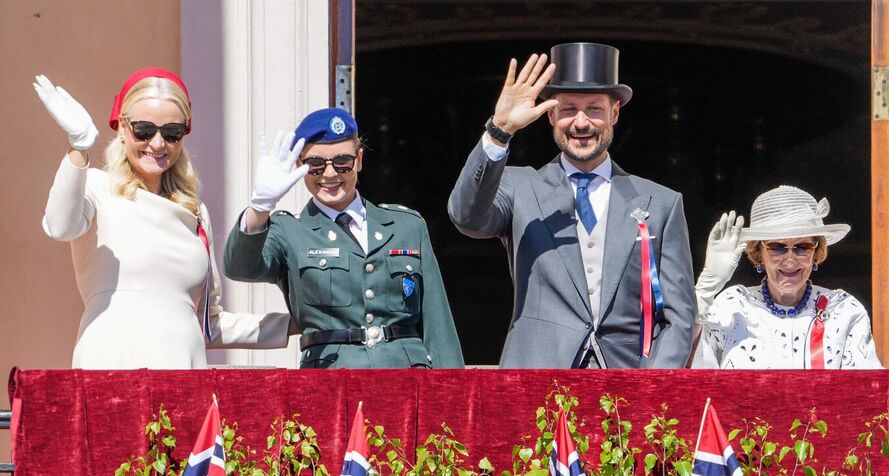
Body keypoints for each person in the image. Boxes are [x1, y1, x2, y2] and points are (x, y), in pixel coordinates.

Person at [448, 43, 696, 368]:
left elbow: (679, 315)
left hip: (629, 385)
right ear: (550, 114)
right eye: (568, 110)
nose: (581, 123)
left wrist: (654, 385)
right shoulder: (519, 186)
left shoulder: (662, 203)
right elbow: (467, 217)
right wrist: (500, 131)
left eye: (594, 108)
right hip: (538, 382)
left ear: (615, 113)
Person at [34, 69, 290, 369]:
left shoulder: (196, 212)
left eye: (171, 133)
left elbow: (208, 323)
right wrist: (78, 149)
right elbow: (60, 226)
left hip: (182, 369)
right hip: (110, 365)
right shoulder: (96, 187)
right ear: (123, 127)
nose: (157, 144)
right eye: (144, 130)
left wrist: (301, 322)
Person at [224, 108, 464, 368]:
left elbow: (438, 326)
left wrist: (451, 397)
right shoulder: (288, 230)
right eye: (315, 165)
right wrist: (259, 207)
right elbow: (240, 268)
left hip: (405, 375)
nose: (329, 175)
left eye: (342, 162)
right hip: (331, 379)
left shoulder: (407, 226)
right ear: (299, 167)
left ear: (359, 160)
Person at [691, 186, 882, 369]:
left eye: (803, 247)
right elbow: (688, 370)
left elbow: (869, 392)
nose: (790, 259)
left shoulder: (844, 309)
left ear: (816, 252)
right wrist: (707, 287)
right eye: (777, 247)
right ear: (759, 253)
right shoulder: (733, 307)